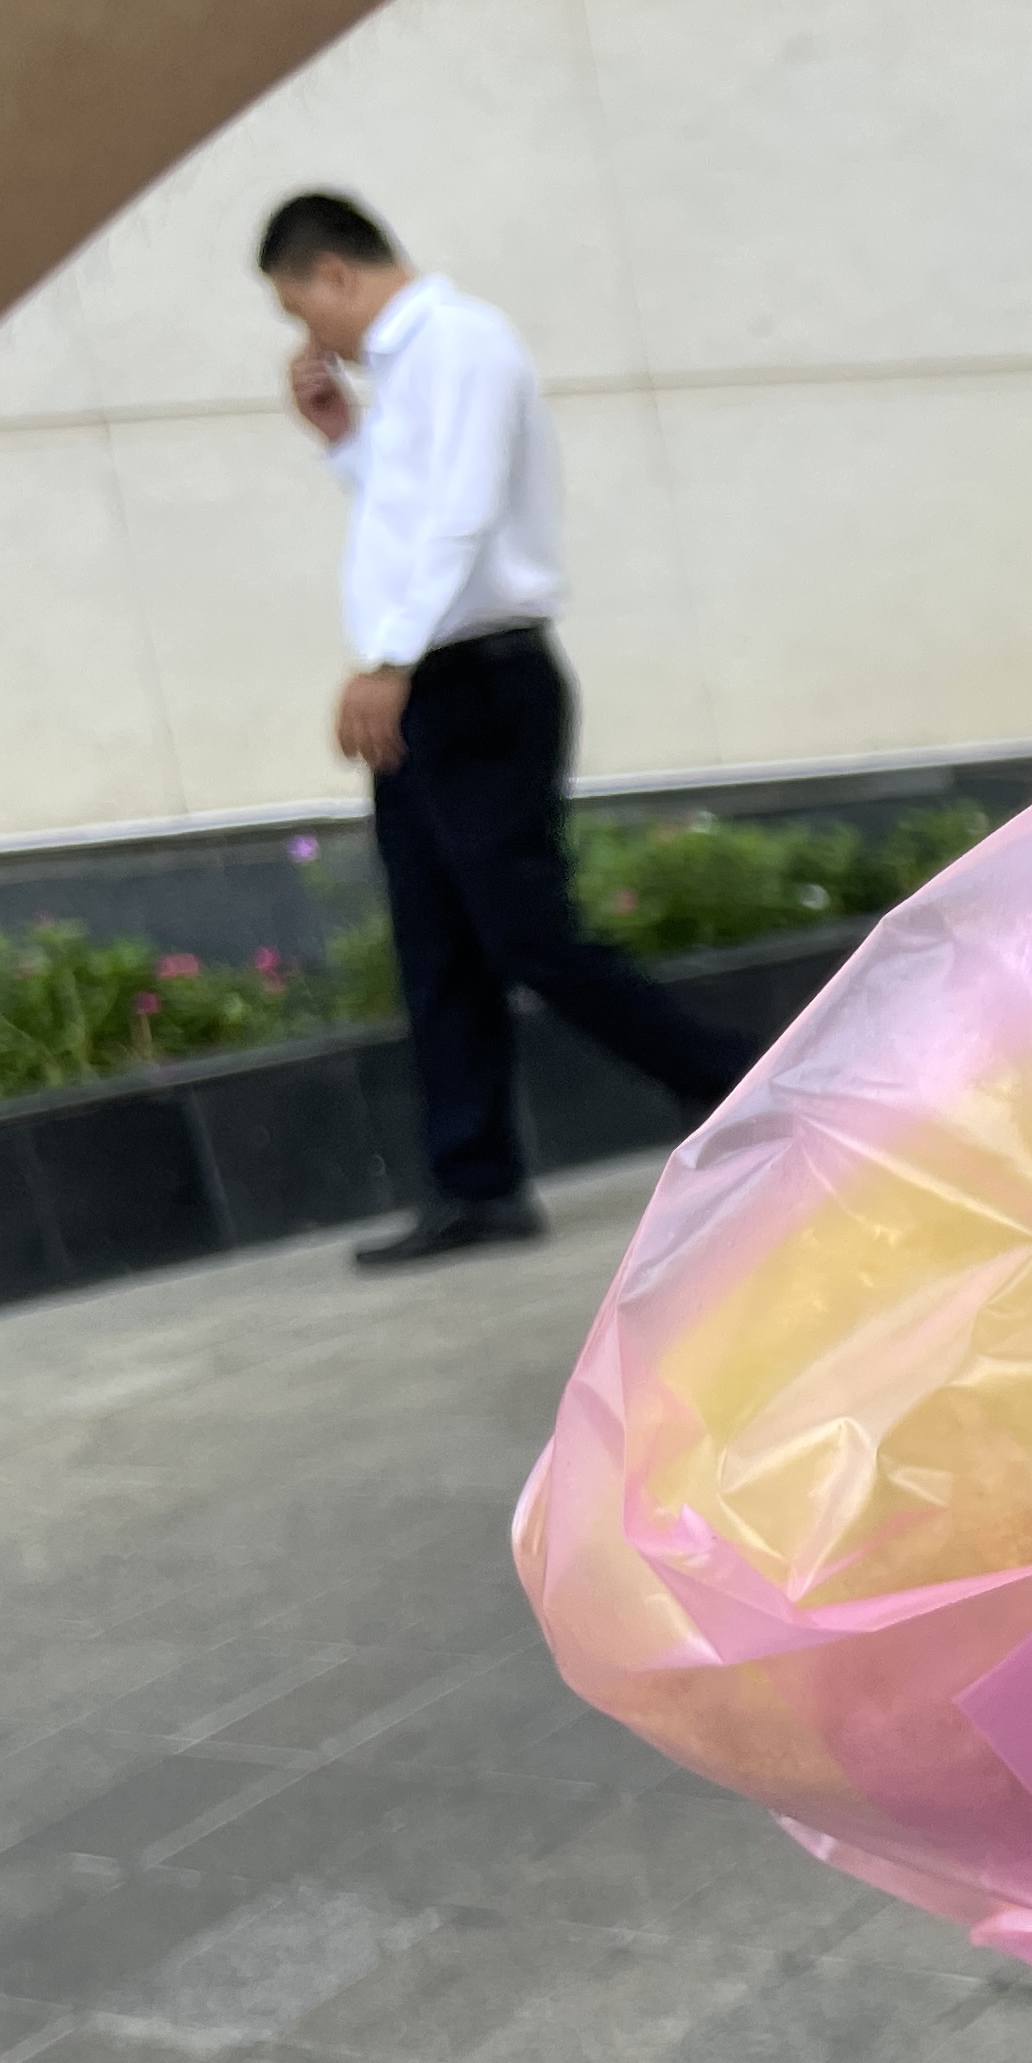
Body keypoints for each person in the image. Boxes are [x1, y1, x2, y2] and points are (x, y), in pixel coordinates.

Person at [259, 190, 759, 1268]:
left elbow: (465, 513)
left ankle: (743, 1086)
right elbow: (408, 511)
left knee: (529, 933)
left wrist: (388, 659)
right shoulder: (404, 372)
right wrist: (344, 440)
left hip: (478, 679)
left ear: (335, 273)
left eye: (303, 308)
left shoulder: (461, 343)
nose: (312, 335)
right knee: (437, 943)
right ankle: (477, 1185)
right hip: (431, 683)